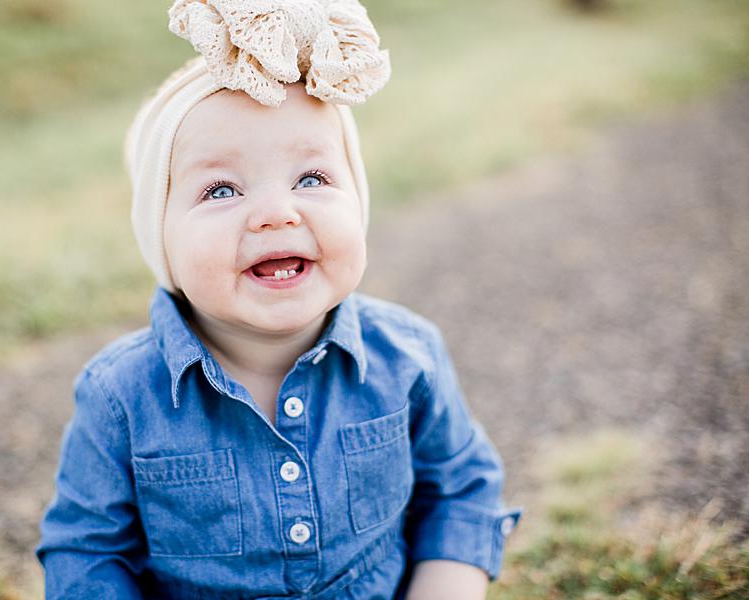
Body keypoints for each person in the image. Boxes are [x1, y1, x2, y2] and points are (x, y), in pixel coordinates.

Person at [37, 1, 520, 598]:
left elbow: (460, 490)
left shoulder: (409, 357)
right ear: (161, 240)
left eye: (311, 180)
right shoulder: (121, 396)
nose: (274, 213)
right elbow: (86, 552)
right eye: (221, 189)